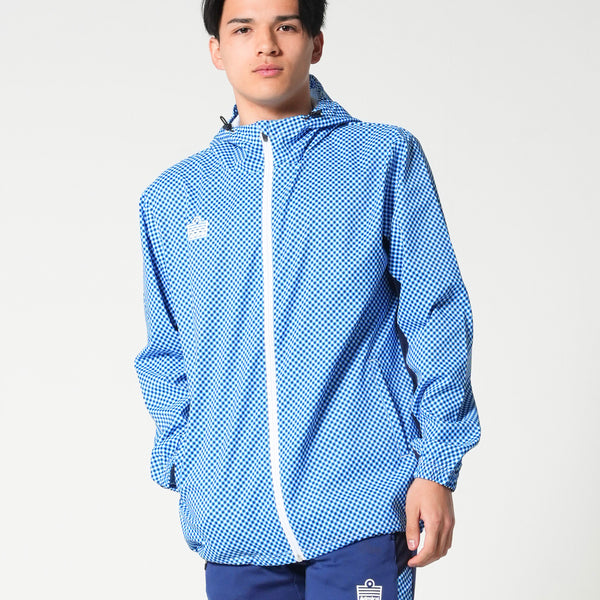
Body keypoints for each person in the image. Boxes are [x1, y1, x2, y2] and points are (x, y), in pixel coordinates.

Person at [133, 0, 481, 598]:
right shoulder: (172, 197)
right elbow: (166, 354)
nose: (265, 44)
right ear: (216, 50)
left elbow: (437, 315)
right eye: (242, 29)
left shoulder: (381, 159)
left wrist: (435, 466)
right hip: (231, 517)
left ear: (315, 43)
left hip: (363, 502)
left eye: (286, 26)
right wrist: (184, 463)